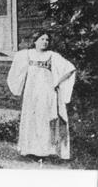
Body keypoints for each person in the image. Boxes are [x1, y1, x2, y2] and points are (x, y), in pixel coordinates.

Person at [7, 31, 76, 160]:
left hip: (47, 93)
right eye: (42, 39)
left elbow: (70, 69)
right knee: (31, 119)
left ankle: (45, 150)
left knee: (44, 119)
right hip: (31, 93)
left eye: (47, 40)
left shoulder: (52, 56)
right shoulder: (27, 54)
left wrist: (56, 83)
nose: (45, 42)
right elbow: (16, 65)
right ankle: (30, 149)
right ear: (35, 41)